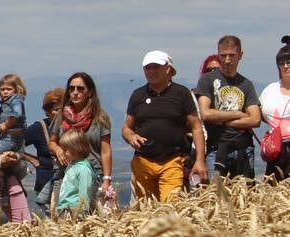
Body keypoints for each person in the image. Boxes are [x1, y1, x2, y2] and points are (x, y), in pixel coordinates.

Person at [122, 50, 205, 201]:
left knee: (170, 208)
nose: (151, 71)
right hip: (143, 162)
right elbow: (126, 128)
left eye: (156, 67)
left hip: (172, 161)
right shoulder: (137, 95)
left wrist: (199, 160)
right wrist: (131, 137)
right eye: (148, 68)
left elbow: (196, 127)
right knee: (144, 211)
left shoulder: (182, 93)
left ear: (167, 69)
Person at [195, 35, 262, 180]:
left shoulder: (246, 84)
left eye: (231, 55)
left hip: (243, 149)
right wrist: (238, 113)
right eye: (223, 55)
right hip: (217, 149)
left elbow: (255, 120)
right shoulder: (207, 80)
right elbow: (206, 113)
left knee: (245, 198)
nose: (226, 60)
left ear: (240, 55)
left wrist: (222, 119)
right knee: (216, 198)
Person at [49, 72, 114, 212]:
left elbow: (106, 150)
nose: (75, 93)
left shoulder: (100, 118)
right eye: (72, 89)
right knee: (61, 216)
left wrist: (107, 179)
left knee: (89, 216)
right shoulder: (62, 115)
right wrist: (58, 150)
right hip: (64, 173)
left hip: (92, 174)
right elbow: (52, 141)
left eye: (80, 89)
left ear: (90, 92)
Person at [0, 74, 30, 223]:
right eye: (2, 89)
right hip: (8, 136)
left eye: (9, 89)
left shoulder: (16, 100)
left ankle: (2, 194)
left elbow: (18, 115)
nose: (5, 92)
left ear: (17, 89)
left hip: (11, 136)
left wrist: (6, 125)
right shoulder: (5, 103)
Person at [22, 87, 63, 218]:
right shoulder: (39, 128)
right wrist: (32, 159)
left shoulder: (70, 127)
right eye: (56, 110)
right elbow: (14, 145)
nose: (60, 113)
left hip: (66, 181)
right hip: (46, 181)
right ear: (47, 111)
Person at [260, 36, 290, 181]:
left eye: (289, 62)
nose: (285, 66)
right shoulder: (269, 90)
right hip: (276, 150)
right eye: (282, 63)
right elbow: (258, 115)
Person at [52, 130, 97, 216]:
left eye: (65, 150)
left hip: (74, 211)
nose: (62, 153)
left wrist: (82, 213)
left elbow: (84, 193)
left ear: (76, 149)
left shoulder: (83, 169)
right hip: (65, 208)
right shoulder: (71, 165)